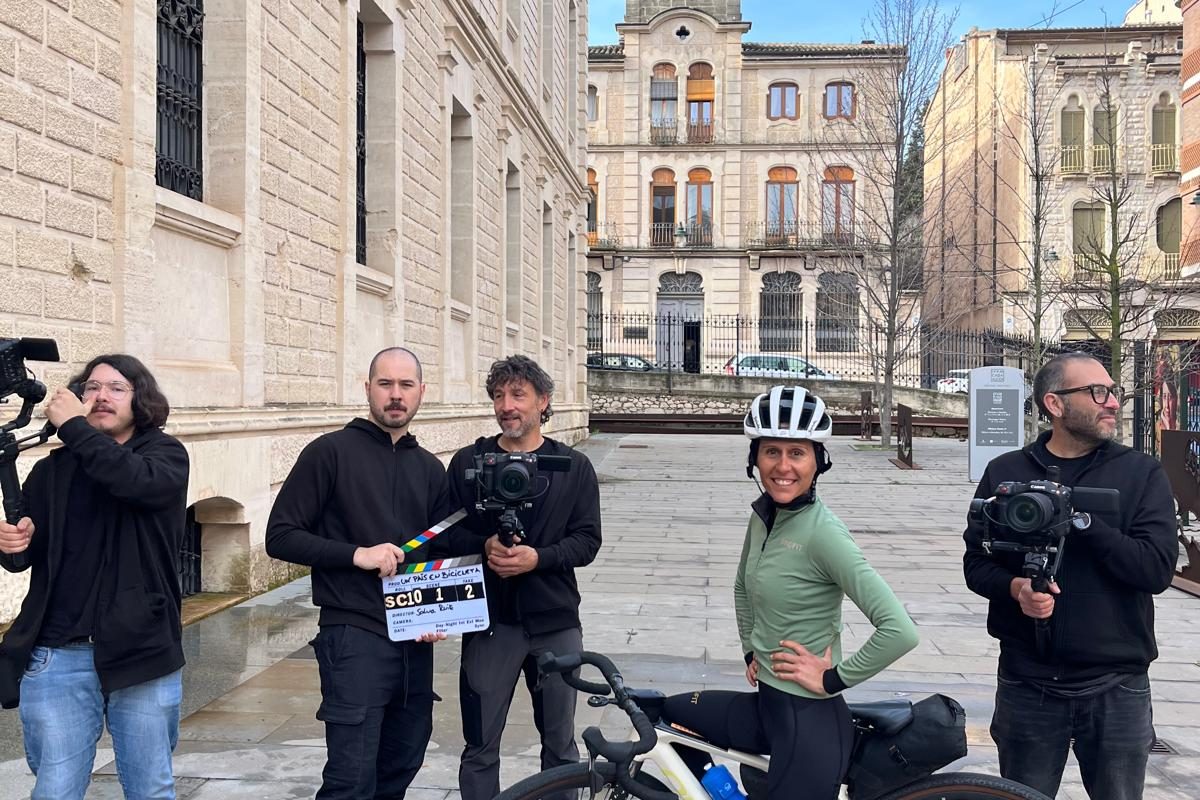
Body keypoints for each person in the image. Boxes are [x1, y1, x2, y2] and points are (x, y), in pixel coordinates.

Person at [667, 385, 919, 800]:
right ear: (756, 459)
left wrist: (834, 677)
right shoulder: (765, 516)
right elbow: (742, 587)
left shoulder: (824, 534)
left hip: (809, 719)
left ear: (818, 462)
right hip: (768, 703)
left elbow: (900, 630)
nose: (783, 466)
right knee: (663, 716)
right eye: (772, 452)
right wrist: (752, 650)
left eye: (797, 453)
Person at [963, 352, 1179, 800]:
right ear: (1055, 404)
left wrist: (1081, 522)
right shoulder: (1007, 472)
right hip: (1027, 682)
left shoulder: (1141, 474)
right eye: (1097, 392)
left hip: (1116, 684)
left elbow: (1156, 569)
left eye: (1113, 392)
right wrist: (1016, 589)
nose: (1113, 403)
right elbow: (976, 563)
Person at [0, 354, 190, 800]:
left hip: (143, 651)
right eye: (91, 388)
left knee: (150, 789)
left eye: (116, 388)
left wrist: (73, 429)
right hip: (58, 653)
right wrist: (13, 542)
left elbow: (134, 482)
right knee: (55, 790)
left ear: (139, 400)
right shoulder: (52, 470)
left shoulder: (164, 456)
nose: (101, 395)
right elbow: (22, 561)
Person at [266, 347, 451, 800]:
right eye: (385, 384)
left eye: (406, 385)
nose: (395, 395)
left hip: (413, 639)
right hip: (353, 634)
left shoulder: (429, 468)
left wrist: (434, 615)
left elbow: (441, 549)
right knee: (351, 778)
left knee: (401, 765)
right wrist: (356, 555)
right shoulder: (328, 453)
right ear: (367, 388)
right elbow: (281, 536)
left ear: (421, 393)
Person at [446, 355, 602, 800]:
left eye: (518, 394)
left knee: (560, 744)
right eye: (498, 396)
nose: (507, 405)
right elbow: (444, 532)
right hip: (488, 622)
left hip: (554, 620)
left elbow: (587, 541)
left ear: (543, 401)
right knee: (480, 744)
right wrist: (483, 546)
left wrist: (540, 558)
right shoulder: (468, 462)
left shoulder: (572, 467)